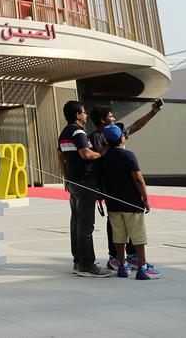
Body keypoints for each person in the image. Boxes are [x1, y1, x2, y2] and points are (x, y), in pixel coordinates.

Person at [89, 100, 163, 272]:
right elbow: (138, 178)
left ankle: (127, 259)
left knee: (120, 224)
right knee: (119, 225)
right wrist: (145, 199)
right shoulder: (96, 139)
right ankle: (117, 257)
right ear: (101, 120)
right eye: (110, 116)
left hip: (119, 190)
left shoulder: (116, 132)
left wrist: (153, 112)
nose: (114, 118)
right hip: (114, 190)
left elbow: (137, 125)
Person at [58, 101, 111, 277]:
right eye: (84, 112)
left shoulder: (64, 132)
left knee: (76, 223)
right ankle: (87, 265)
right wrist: (103, 153)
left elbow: (60, 156)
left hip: (73, 183)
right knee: (86, 225)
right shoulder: (78, 132)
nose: (86, 115)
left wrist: (66, 178)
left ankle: (78, 261)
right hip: (85, 182)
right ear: (77, 115)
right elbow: (86, 154)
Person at [100, 125, 159, 279]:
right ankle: (143, 267)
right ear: (121, 138)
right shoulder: (129, 155)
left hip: (113, 203)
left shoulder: (102, 157)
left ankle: (122, 265)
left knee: (118, 236)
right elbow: (138, 178)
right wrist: (145, 199)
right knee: (138, 235)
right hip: (132, 203)